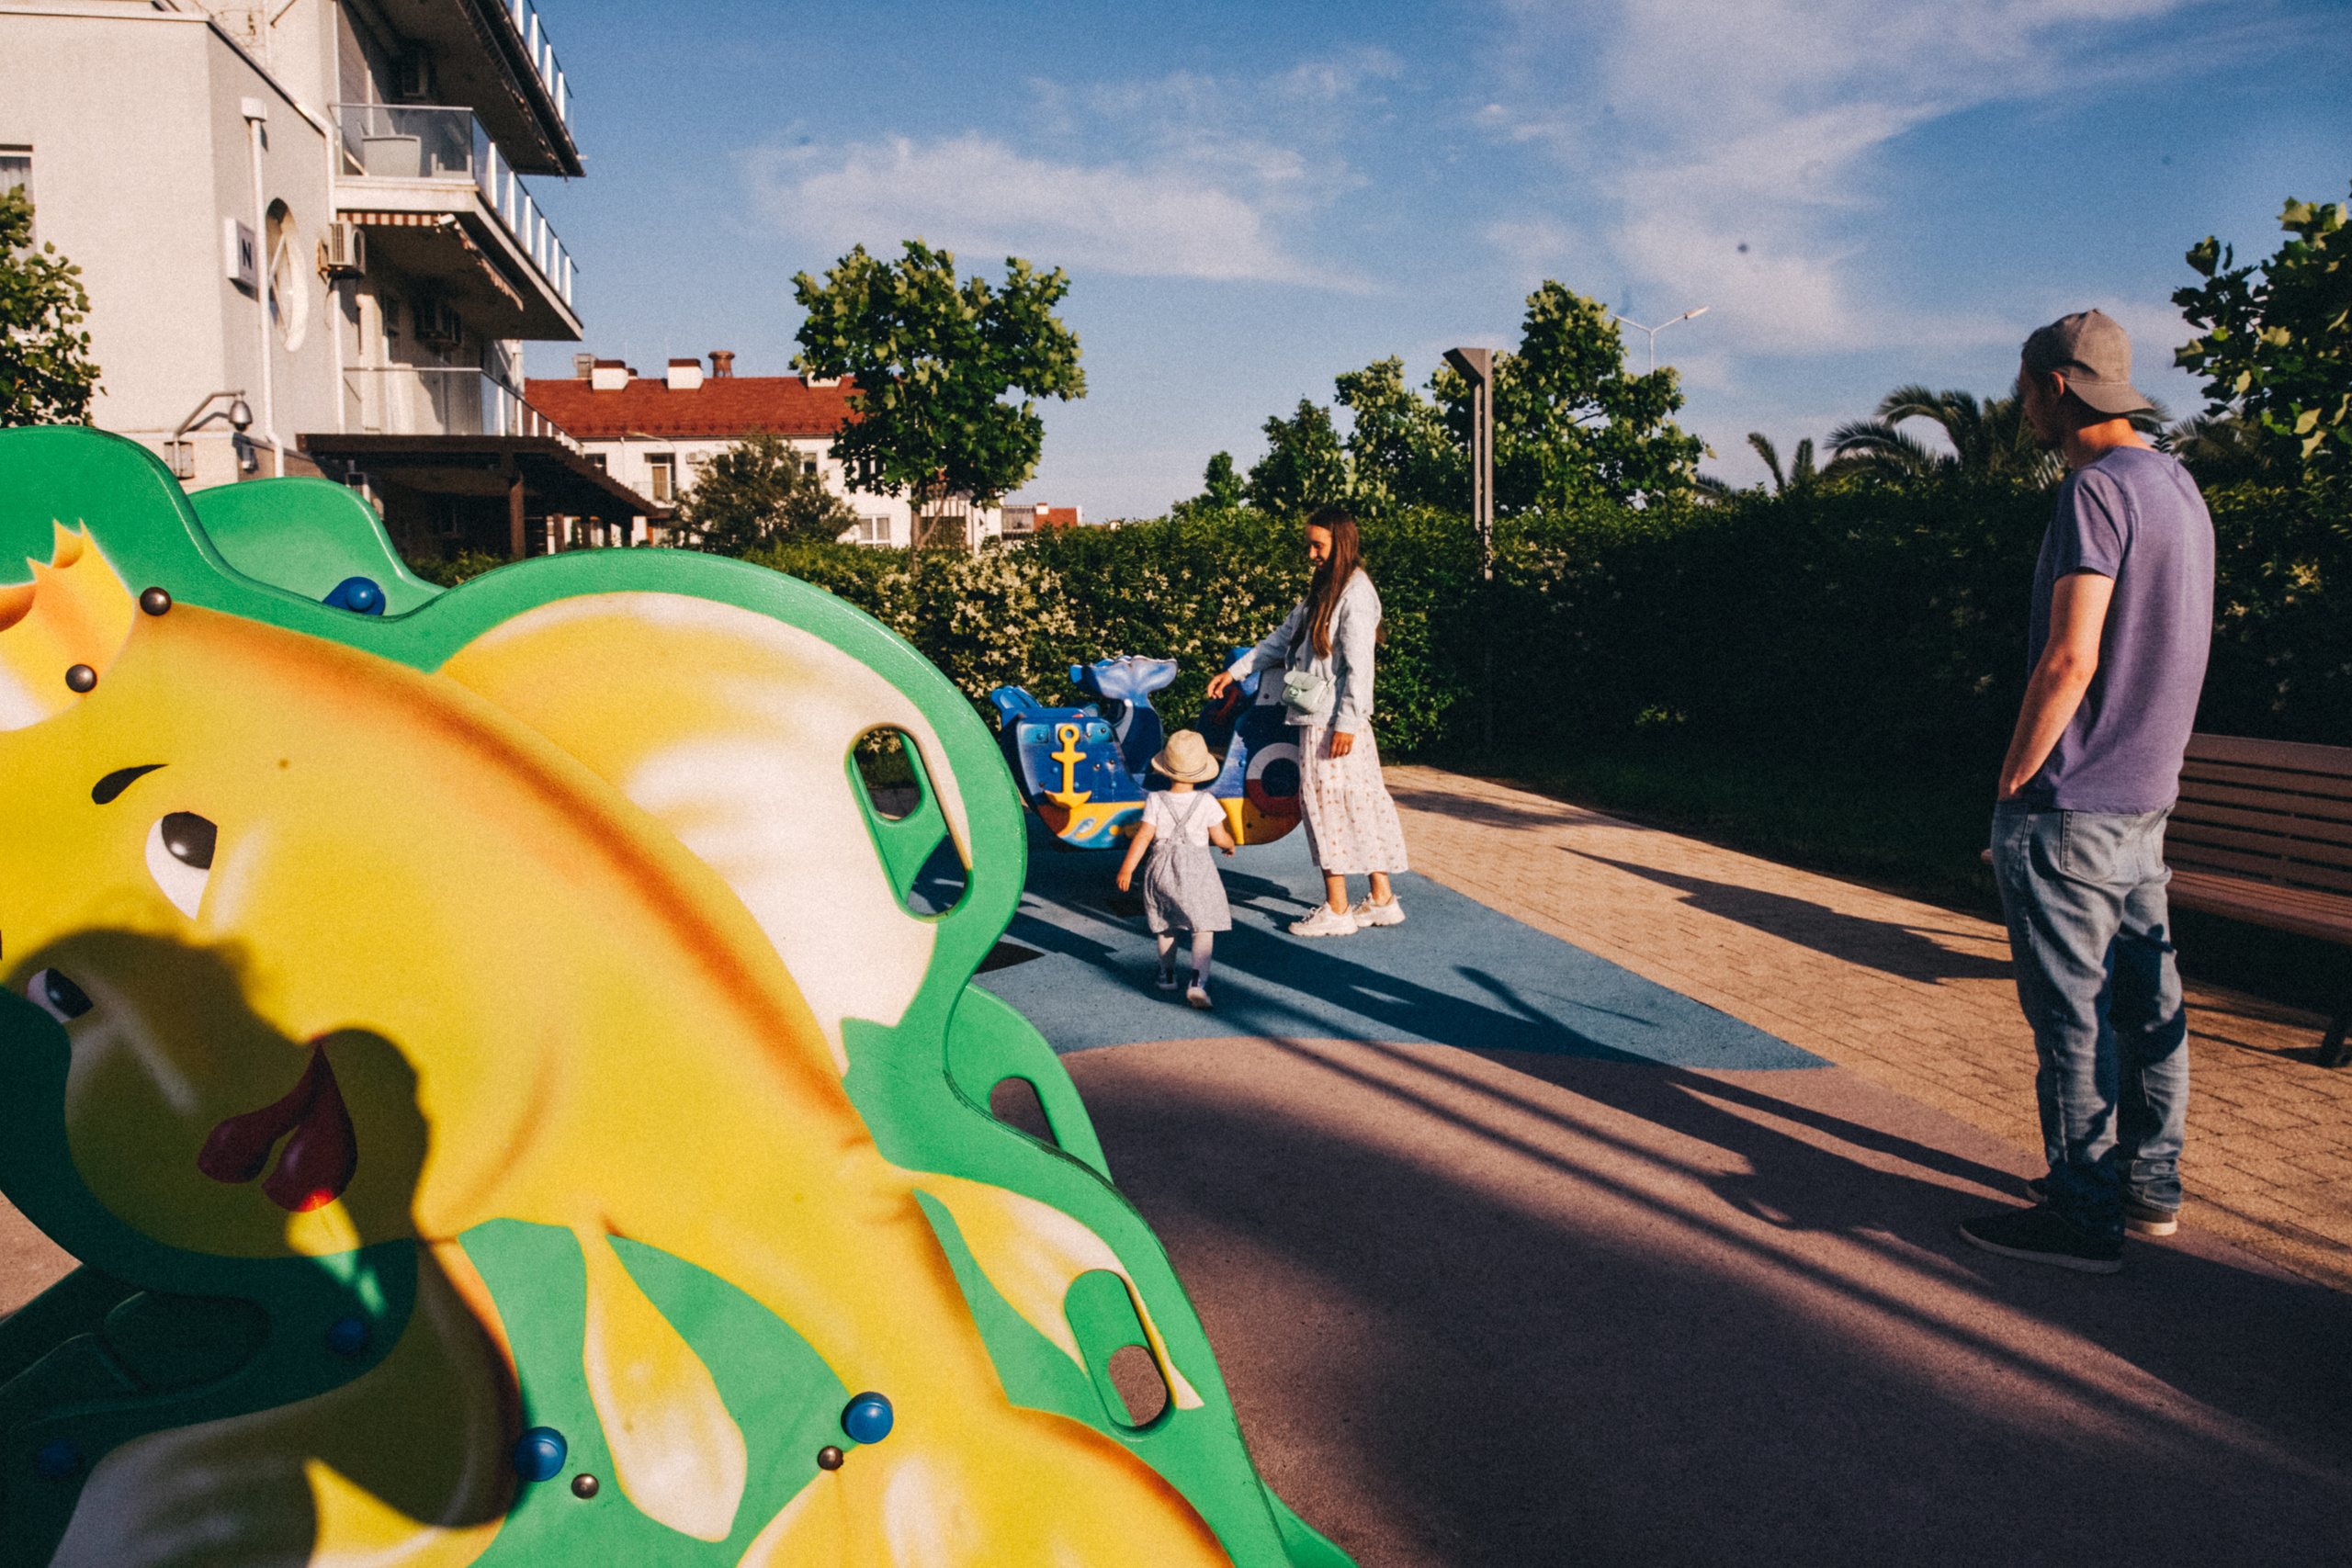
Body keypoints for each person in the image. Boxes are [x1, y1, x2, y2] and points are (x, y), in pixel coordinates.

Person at [1958, 309, 2215, 1275]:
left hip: (2072, 800)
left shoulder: (2094, 492)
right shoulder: (2177, 486)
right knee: (2148, 1006)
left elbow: (2070, 655)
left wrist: (2014, 776)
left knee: (2073, 1017)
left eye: (2023, 390)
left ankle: (2081, 1214)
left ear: (2054, 388)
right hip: (2148, 792)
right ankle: (2148, 1189)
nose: (2019, 408)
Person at [1206, 506, 1410, 937]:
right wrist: (1237, 671)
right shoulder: (1327, 589)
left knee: (1326, 807)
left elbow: (1360, 667)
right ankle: (1381, 898)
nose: (1312, 554)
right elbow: (1283, 638)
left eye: (1318, 545)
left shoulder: (1354, 594)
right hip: (1328, 717)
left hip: (1331, 721)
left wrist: (1348, 724)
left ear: (1342, 543)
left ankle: (1337, 908)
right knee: (1356, 801)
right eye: (1310, 545)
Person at [1115, 728, 1237, 1009]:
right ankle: (1197, 982)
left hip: (1161, 870)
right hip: (1198, 872)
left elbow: (1143, 837)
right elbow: (1220, 837)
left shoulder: (1156, 800)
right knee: (1202, 926)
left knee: (1166, 924)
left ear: (1166, 769)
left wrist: (1127, 869)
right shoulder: (1207, 802)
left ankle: (1167, 975)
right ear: (1202, 770)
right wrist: (1228, 845)